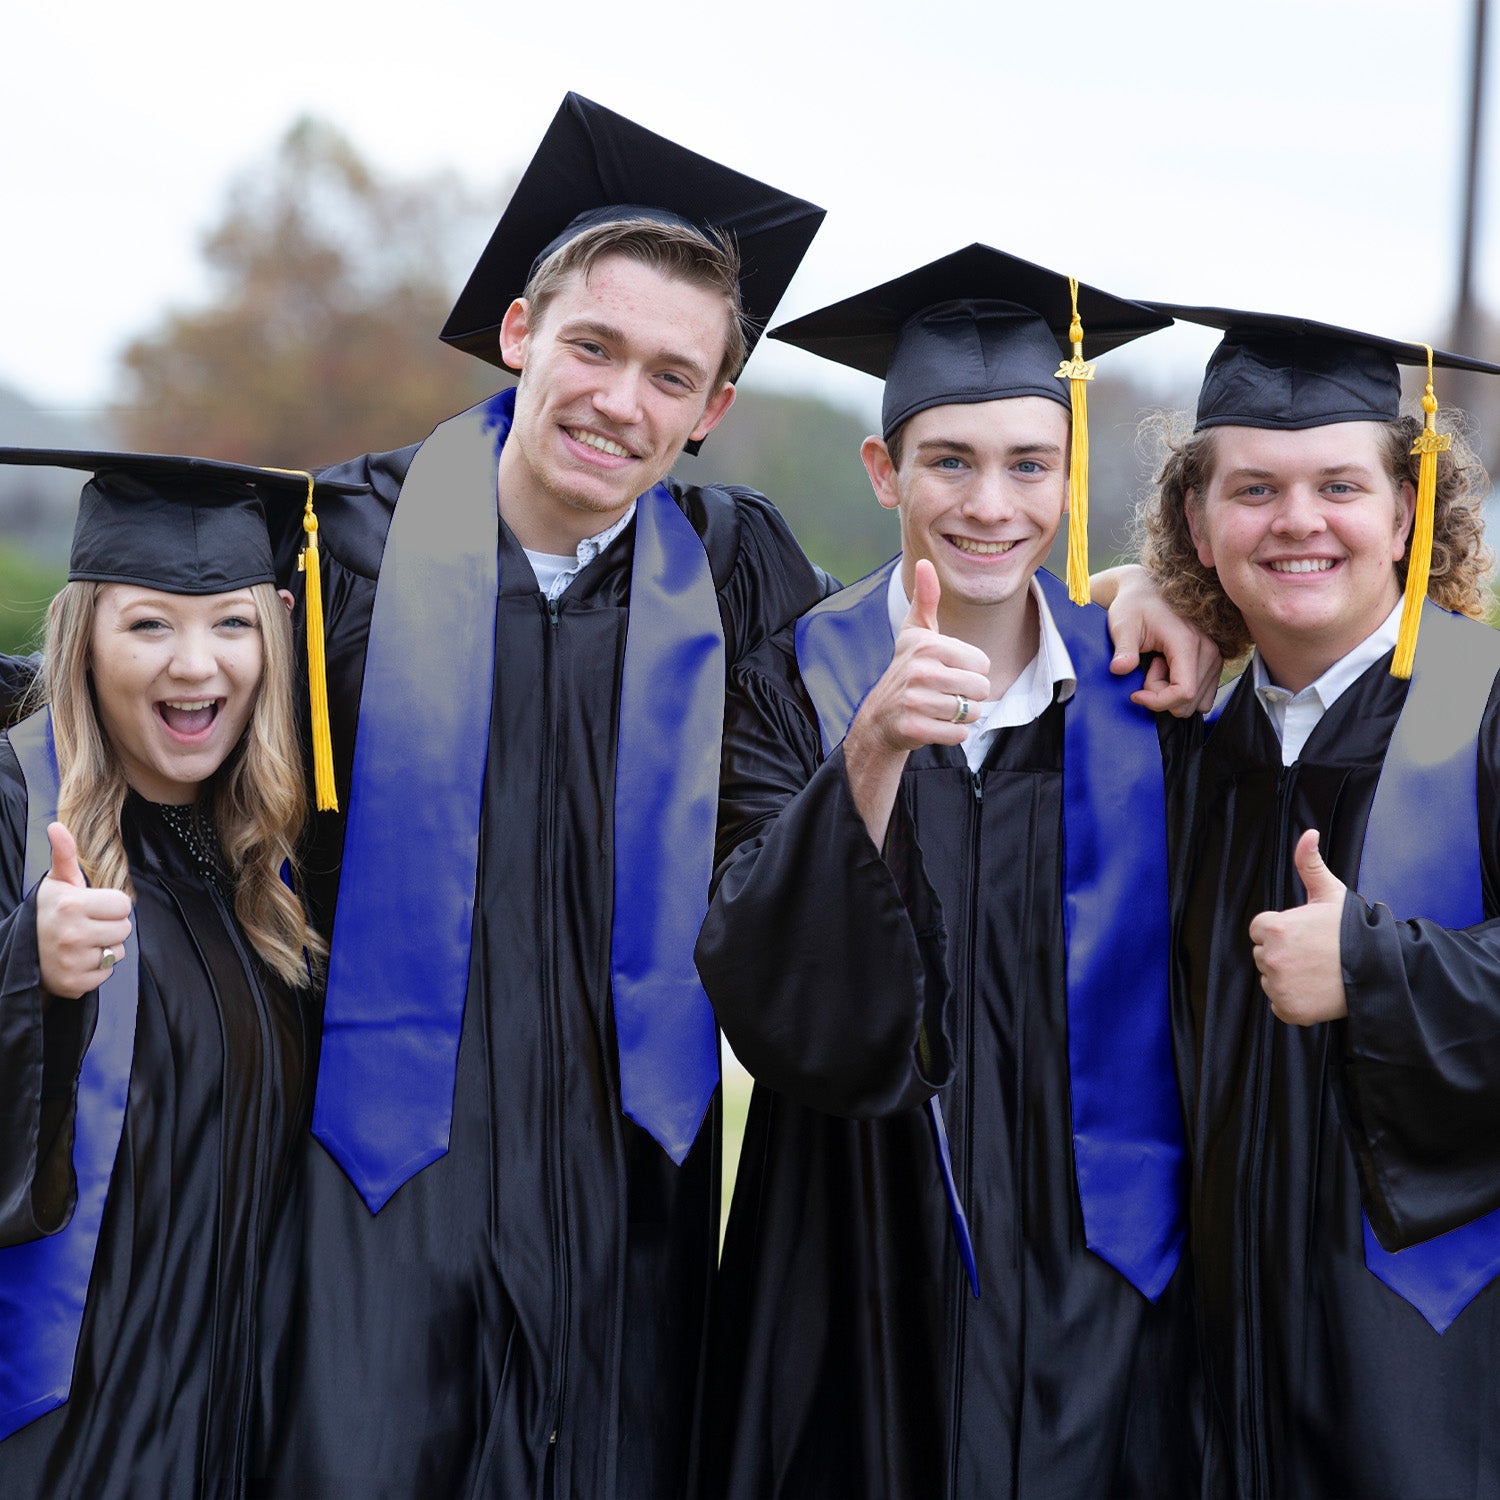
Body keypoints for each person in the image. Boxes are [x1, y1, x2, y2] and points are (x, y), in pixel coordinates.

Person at [253, 95, 829, 1499]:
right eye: (593, 346)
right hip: (377, 1168)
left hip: (629, 1177)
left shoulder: (740, 570)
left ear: (711, 412)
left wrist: (1147, 611)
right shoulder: (342, 546)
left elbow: (901, 720)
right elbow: (148, 707)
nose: (621, 401)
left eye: (670, 376)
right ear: (521, 334)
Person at [693, 246, 1201, 1499]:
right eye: (950, 461)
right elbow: (761, 983)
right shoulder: (791, 682)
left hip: (1099, 1268)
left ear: (1070, 475)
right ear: (886, 473)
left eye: (1029, 464)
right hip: (852, 1254)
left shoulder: (1151, 694)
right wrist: (869, 747)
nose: (992, 503)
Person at [1129, 306, 1500, 1499]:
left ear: (1406, 508)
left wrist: (1376, 969)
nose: (1298, 522)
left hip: (1436, 1381)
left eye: (1339, 485)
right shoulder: (1174, 747)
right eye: (1254, 489)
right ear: (1196, 519)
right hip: (1211, 1387)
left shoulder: (1482, 710)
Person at [0, 452, 340, 1498]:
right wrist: (31, 973)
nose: (196, 666)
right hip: (65, 1430)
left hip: (229, 1417)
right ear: (84, 636)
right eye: (150, 624)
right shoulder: (15, 811)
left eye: (231, 624)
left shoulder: (267, 864)